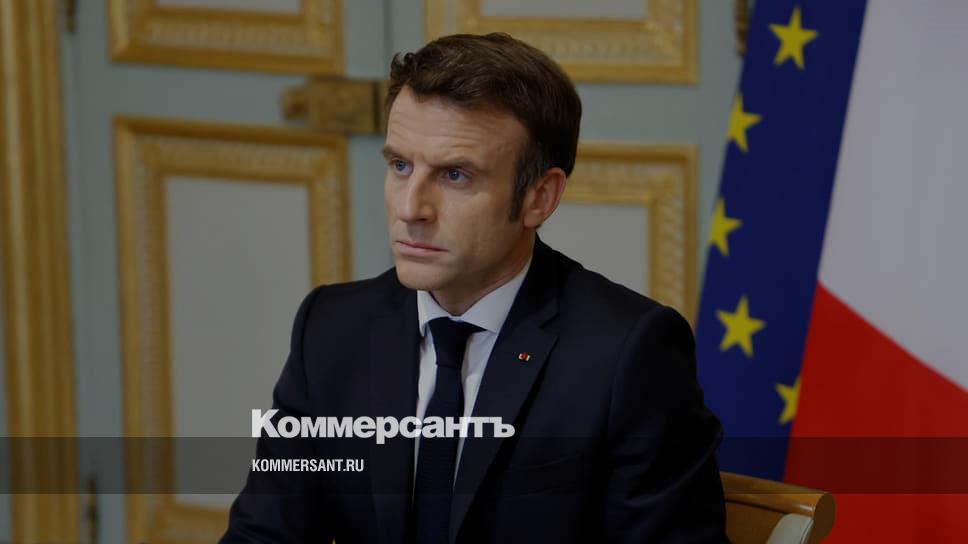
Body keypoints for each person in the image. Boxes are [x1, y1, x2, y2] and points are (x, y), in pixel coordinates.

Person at [221, 32, 727, 543]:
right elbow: (263, 534)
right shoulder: (331, 328)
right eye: (400, 166)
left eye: (455, 176)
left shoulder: (627, 354)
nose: (410, 208)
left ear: (539, 197)